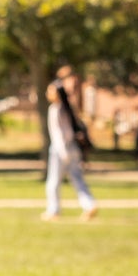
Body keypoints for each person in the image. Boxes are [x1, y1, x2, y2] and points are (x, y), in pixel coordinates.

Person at [44, 75, 97, 221]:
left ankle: (53, 210)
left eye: (50, 91)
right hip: (73, 148)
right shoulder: (68, 109)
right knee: (77, 179)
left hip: (60, 150)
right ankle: (89, 204)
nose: (47, 93)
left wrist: (62, 151)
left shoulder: (55, 110)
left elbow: (59, 134)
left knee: (53, 182)